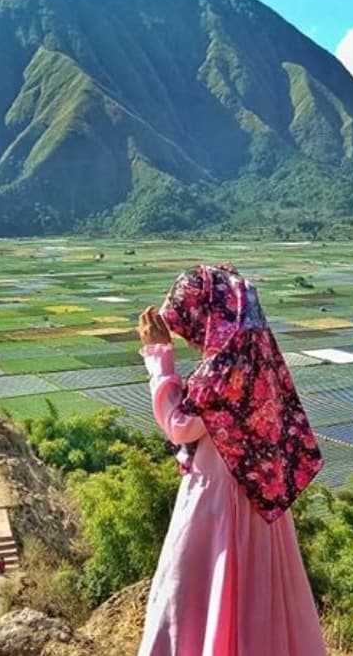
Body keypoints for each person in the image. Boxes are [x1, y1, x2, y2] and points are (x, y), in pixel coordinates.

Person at [136, 264, 327, 656]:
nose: (193, 341)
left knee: (185, 595)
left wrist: (159, 357)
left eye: (191, 326)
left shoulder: (223, 371)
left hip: (216, 501)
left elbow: (180, 425)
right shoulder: (258, 361)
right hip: (260, 502)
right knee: (258, 603)